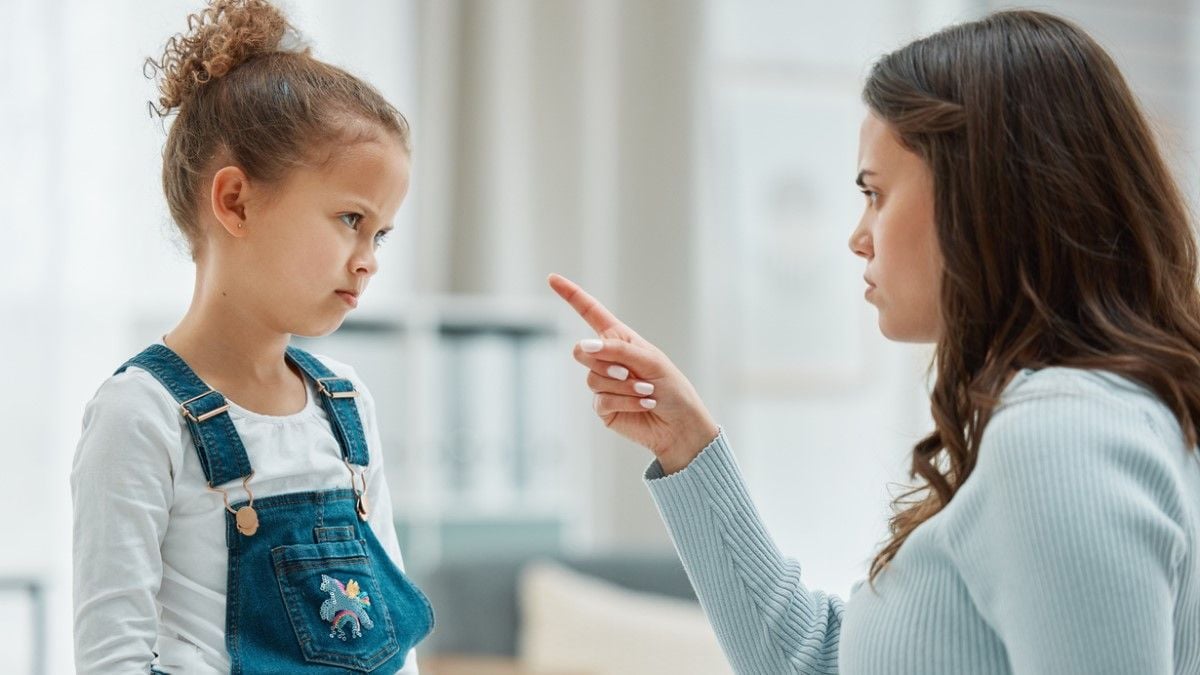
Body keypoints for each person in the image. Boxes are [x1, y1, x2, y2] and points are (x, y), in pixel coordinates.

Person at [549, 9, 1200, 675]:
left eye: (876, 194)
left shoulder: (1062, 436)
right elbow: (820, 662)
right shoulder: (1077, 418)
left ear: (980, 194)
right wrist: (685, 444)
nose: (859, 236)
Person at [70, 1, 432, 672]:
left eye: (379, 233)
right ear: (234, 201)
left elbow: (391, 641)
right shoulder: (139, 414)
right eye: (349, 218)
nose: (369, 257)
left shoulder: (346, 402)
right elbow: (111, 654)